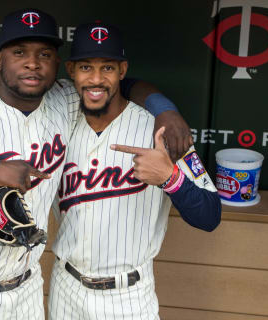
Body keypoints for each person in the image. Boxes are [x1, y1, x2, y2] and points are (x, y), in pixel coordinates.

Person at [0, 8, 193, 320]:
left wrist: (164, 109)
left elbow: (120, 82)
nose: (32, 63)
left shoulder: (63, 99)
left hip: (26, 292)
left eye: (44, 54)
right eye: (19, 51)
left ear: (57, 64)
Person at [48, 22, 221, 320]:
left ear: (123, 70)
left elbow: (210, 216)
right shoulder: (56, 120)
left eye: (108, 68)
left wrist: (171, 179)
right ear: (71, 70)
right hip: (65, 287)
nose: (96, 79)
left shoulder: (161, 130)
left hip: (127, 295)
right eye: (86, 67)